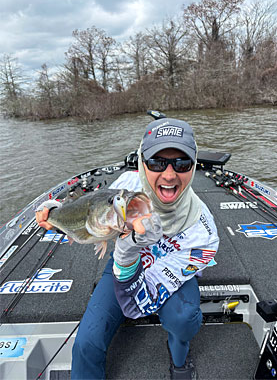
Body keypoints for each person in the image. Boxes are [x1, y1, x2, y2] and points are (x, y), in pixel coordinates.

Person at [36, 118, 219, 380]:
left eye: (181, 163)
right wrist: (54, 212)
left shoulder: (205, 234)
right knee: (85, 343)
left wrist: (129, 247)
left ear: (193, 166)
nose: (169, 175)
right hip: (123, 267)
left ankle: (179, 358)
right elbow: (90, 206)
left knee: (183, 319)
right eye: (156, 162)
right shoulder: (126, 185)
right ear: (142, 164)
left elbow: (140, 301)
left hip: (169, 273)